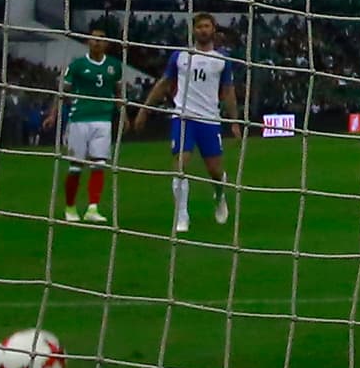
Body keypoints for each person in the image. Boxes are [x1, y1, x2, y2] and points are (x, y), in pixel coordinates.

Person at [133, 13, 240, 232]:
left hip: (209, 119)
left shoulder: (222, 60)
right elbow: (164, 84)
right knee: (180, 165)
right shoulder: (180, 57)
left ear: (213, 29)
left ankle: (219, 194)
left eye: (207, 26)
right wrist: (144, 110)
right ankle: (182, 215)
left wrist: (235, 121)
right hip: (183, 117)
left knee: (215, 170)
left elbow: (228, 92)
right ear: (193, 30)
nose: (203, 30)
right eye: (199, 26)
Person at [43, 25, 124, 222]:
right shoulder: (77, 65)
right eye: (94, 38)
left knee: (99, 163)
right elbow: (63, 92)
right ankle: (70, 208)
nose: (97, 41)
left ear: (107, 43)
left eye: (101, 38)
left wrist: (124, 115)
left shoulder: (114, 65)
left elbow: (119, 93)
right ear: (88, 41)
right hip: (79, 119)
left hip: (103, 120)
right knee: (76, 166)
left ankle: (92, 208)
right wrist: (53, 114)